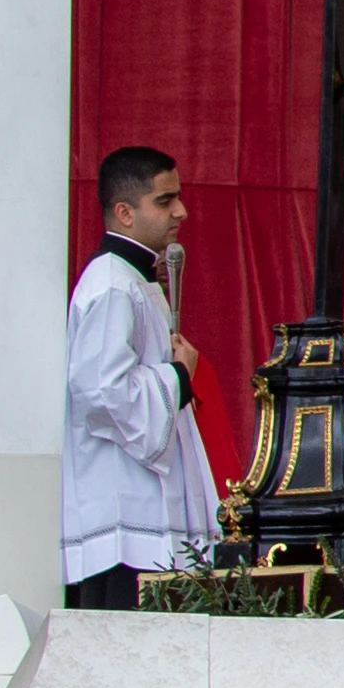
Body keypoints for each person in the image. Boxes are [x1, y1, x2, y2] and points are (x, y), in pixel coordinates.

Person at [62, 142, 217, 607]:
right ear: (125, 213)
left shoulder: (133, 280)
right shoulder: (111, 285)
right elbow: (101, 392)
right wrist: (176, 377)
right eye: (165, 201)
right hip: (123, 517)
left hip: (142, 510)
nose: (182, 212)